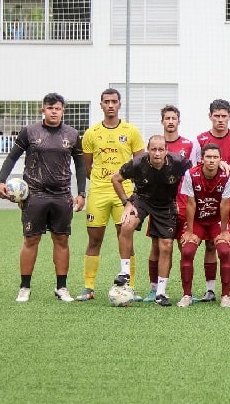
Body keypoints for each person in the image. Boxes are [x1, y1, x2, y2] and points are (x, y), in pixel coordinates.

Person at [0, 93, 86, 302]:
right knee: (31, 239)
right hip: (34, 195)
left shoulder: (72, 134)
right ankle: (25, 287)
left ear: (63, 110)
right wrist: (2, 180)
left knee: (61, 239)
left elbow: (80, 165)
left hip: (62, 195)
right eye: (50, 107)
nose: (54, 111)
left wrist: (81, 193)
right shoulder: (30, 132)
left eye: (57, 108)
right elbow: (12, 157)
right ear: (43, 110)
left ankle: (61, 288)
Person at [77, 88, 145, 301]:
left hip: (124, 194)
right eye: (106, 101)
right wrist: (101, 181)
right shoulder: (91, 133)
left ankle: (129, 287)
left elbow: (140, 164)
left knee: (125, 237)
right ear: (101, 105)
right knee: (94, 239)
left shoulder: (131, 131)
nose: (110, 105)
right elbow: (87, 167)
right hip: (98, 192)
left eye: (114, 101)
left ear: (119, 104)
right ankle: (88, 287)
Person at [111, 135, 191, 306]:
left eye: (160, 149)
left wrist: (221, 164)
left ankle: (160, 293)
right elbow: (115, 179)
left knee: (166, 246)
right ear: (148, 150)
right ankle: (124, 272)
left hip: (166, 204)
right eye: (153, 149)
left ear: (166, 151)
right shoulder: (138, 163)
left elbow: (199, 169)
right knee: (126, 225)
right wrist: (126, 203)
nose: (157, 153)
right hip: (142, 199)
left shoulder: (178, 162)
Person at [195, 99, 230, 302]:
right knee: (210, 244)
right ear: (210, 116)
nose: (220, 120)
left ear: (229, 117)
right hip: (207, 199)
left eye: (223, 116)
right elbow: (195, 169)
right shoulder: (200, 140)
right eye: (216, 116)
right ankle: (210, 290)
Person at [143, 104, 200, 302]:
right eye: (166, 118)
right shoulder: (153, 145)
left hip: (181, 203)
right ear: (162, 121)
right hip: (158, 204)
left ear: (178, 121)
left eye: (173, 118)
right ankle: (154, 289)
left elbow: (194, 173)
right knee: (157, 246)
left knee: (183, 246)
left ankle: (186, 291)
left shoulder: (189, 145)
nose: (170, 121)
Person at [176, 144, 230, 308]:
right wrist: (189, 230)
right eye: (208, 157)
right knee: (187, 251)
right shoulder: (191, 174)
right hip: (197, 221)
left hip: (216, 220)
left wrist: (224, 231)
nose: (211, 160)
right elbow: (190, 202)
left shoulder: (227, 175)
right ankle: (187, 295)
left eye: (215, 157)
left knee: (224, 251)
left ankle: (225, 295)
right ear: (201, 159)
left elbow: (225, 204)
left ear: (220, 159)